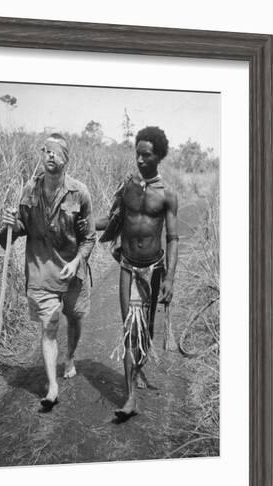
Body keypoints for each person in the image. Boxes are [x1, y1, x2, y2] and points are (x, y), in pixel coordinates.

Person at [0, 133, 96, 410]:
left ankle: (71, 357)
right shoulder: (29, 191)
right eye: (45, 150)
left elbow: (88, 238)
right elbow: (13, 234)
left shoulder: (80, 192)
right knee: (49, 326)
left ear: (66, 158)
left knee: (74, 319)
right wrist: (9, 224)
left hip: (71, 270)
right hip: (41, 271)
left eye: (56, 151)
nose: (50, 155)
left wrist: (77, 262)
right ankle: (52, 386)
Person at [95, 126, 178, 421]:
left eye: (147, 155)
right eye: (137, 154)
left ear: (159, 156)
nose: (140, 160)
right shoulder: (127, 187)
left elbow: (172, 238)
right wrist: (81, 222)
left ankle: (138, 370)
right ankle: (130, 397)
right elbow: (112, 219)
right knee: (131, 330)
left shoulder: (167, 195)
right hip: (128, 266)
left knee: (147, 330)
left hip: (154, 269)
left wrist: (169, 279)